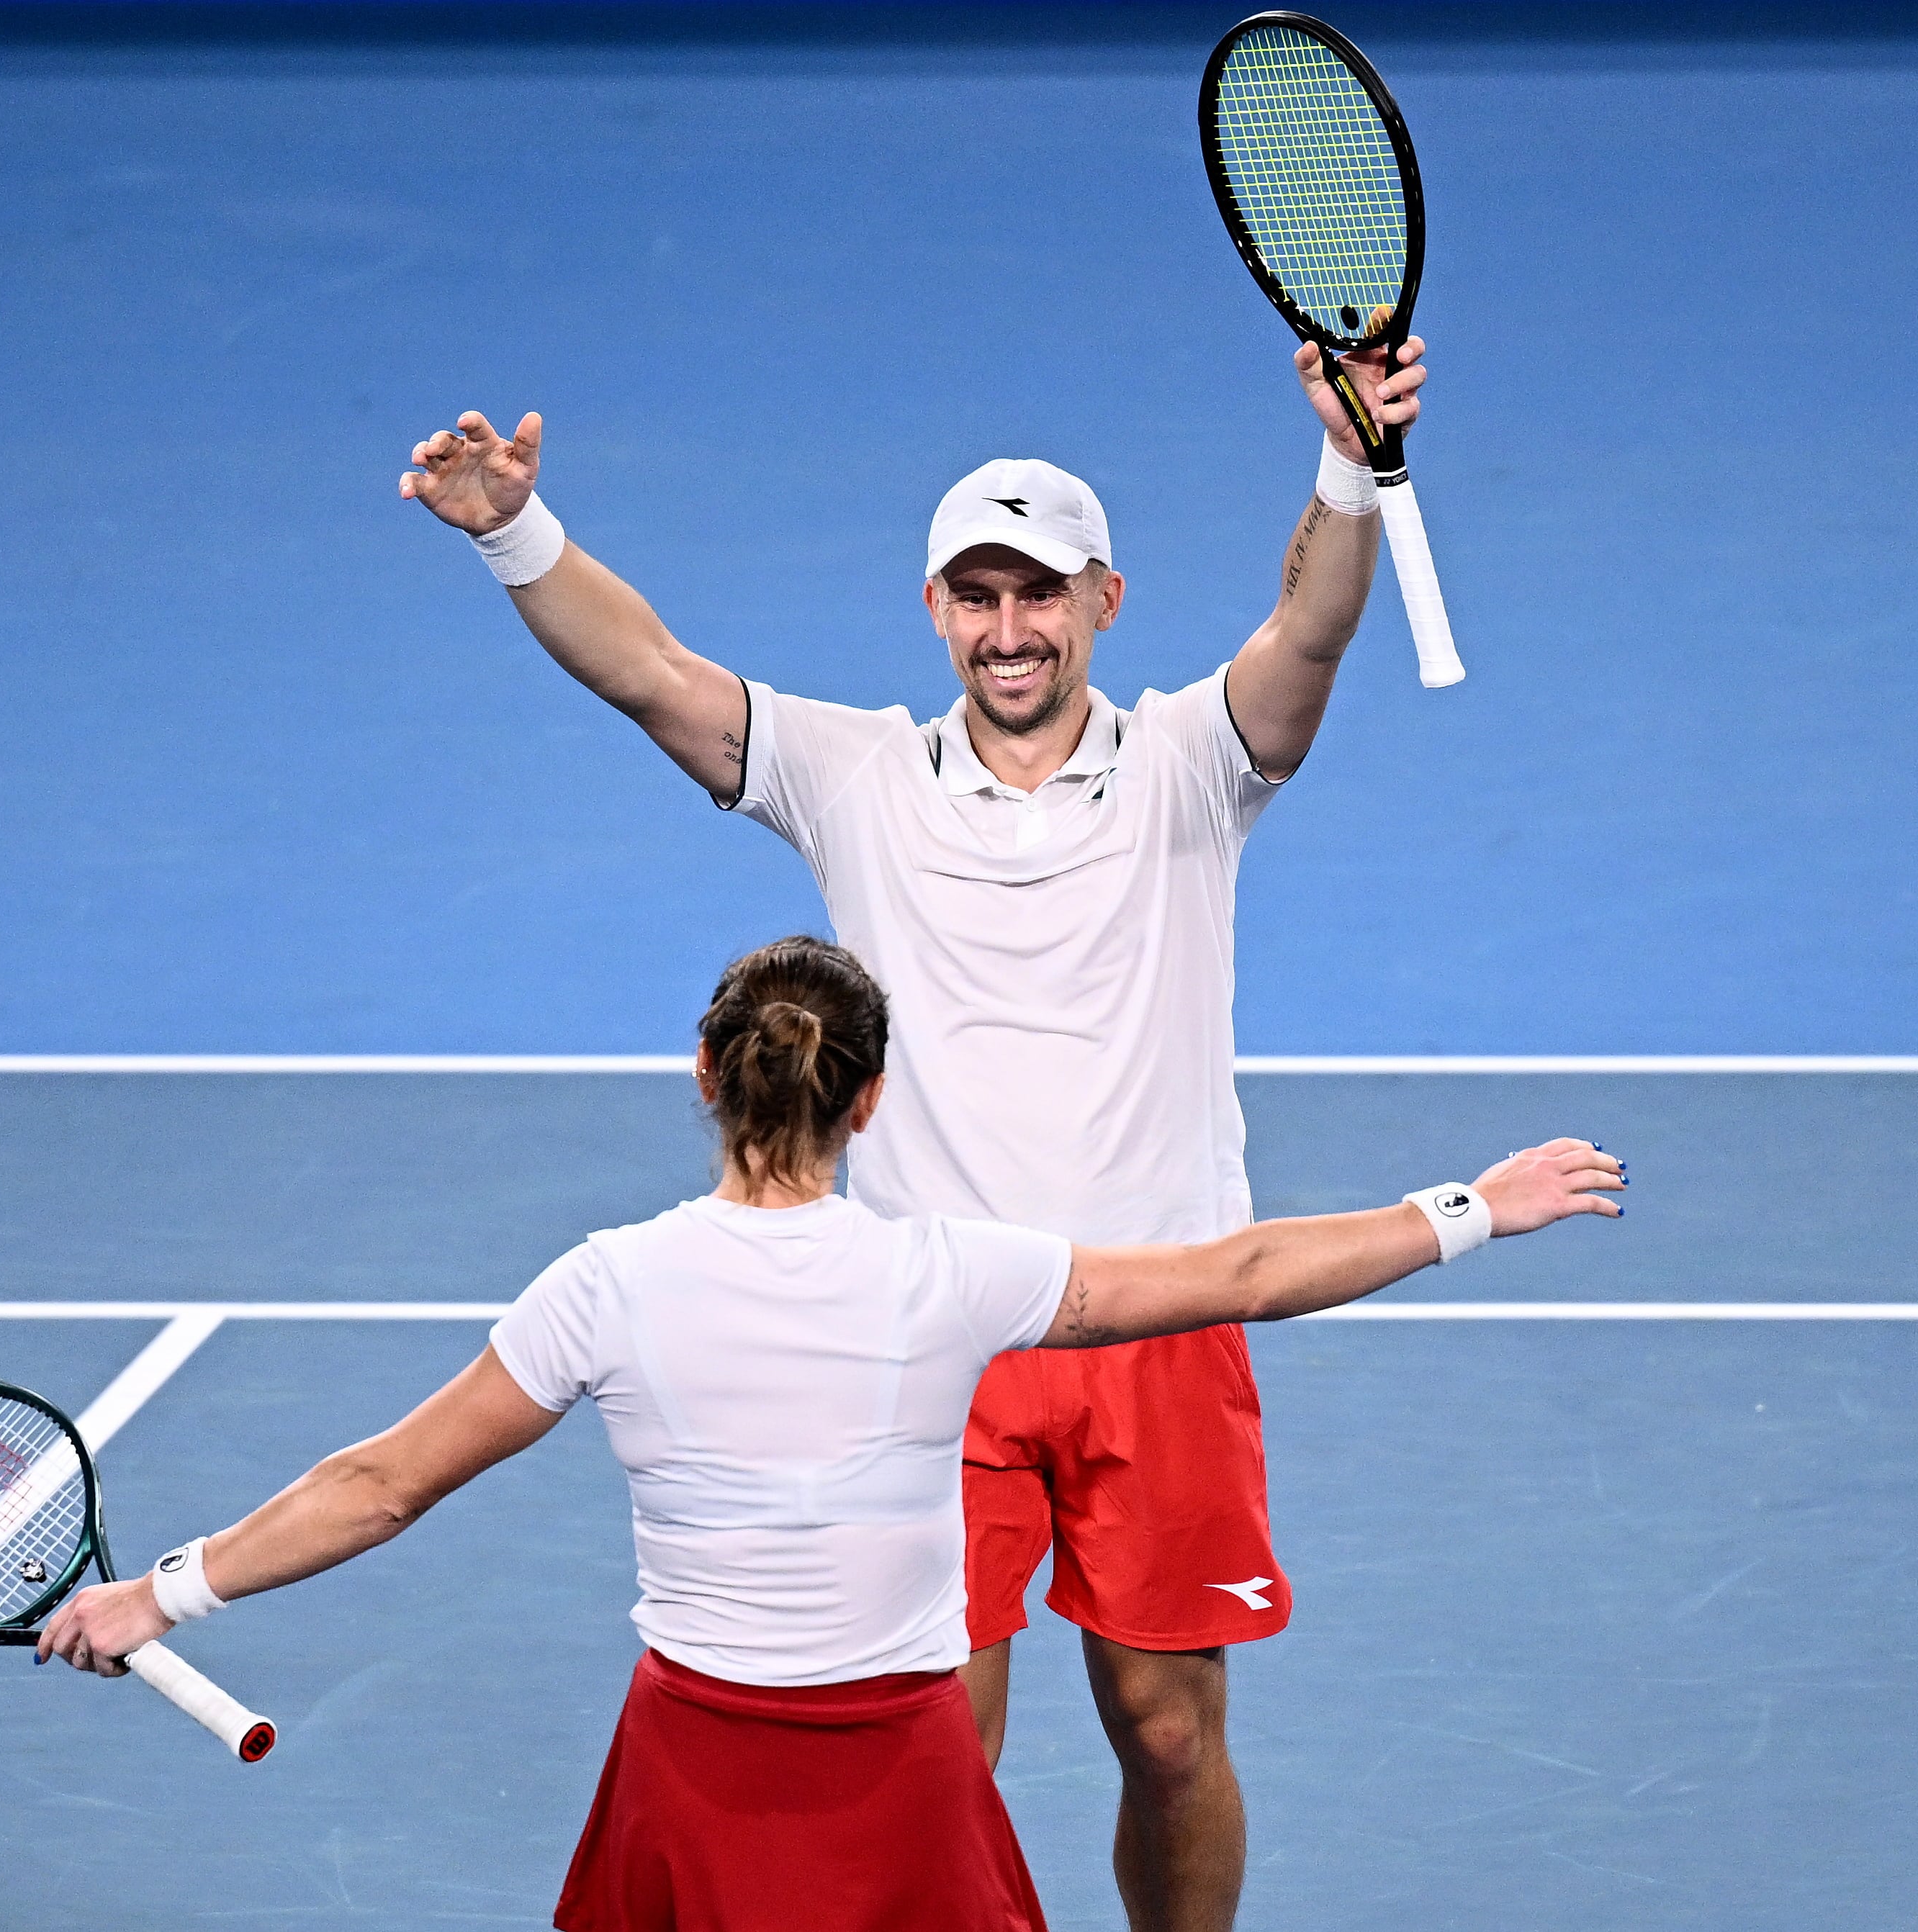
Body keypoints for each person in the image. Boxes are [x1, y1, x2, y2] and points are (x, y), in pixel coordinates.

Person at [400, 333, 1428, 1931]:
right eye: (978, 595)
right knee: (944, 1739)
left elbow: (1310, 627)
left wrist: (1348, 465)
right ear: (938, 609)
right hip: (943, 1332)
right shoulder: (857, 773)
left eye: (1041, 594)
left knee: (1170, 1733)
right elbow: (651, 671)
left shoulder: (1187, 765)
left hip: (1160, 1318)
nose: (1008, 629)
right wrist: (511, 532)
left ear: (1104, 601)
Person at [40, 936, 1622, 1931]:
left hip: (691, 1767)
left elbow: (379, 1486)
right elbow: (1245, 1272)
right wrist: (1473, 1207)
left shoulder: (608, 1287)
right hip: (903, 1772)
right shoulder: (954, 1273)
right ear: (870, 1105)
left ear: (704, 1082)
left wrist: (158, 1593)